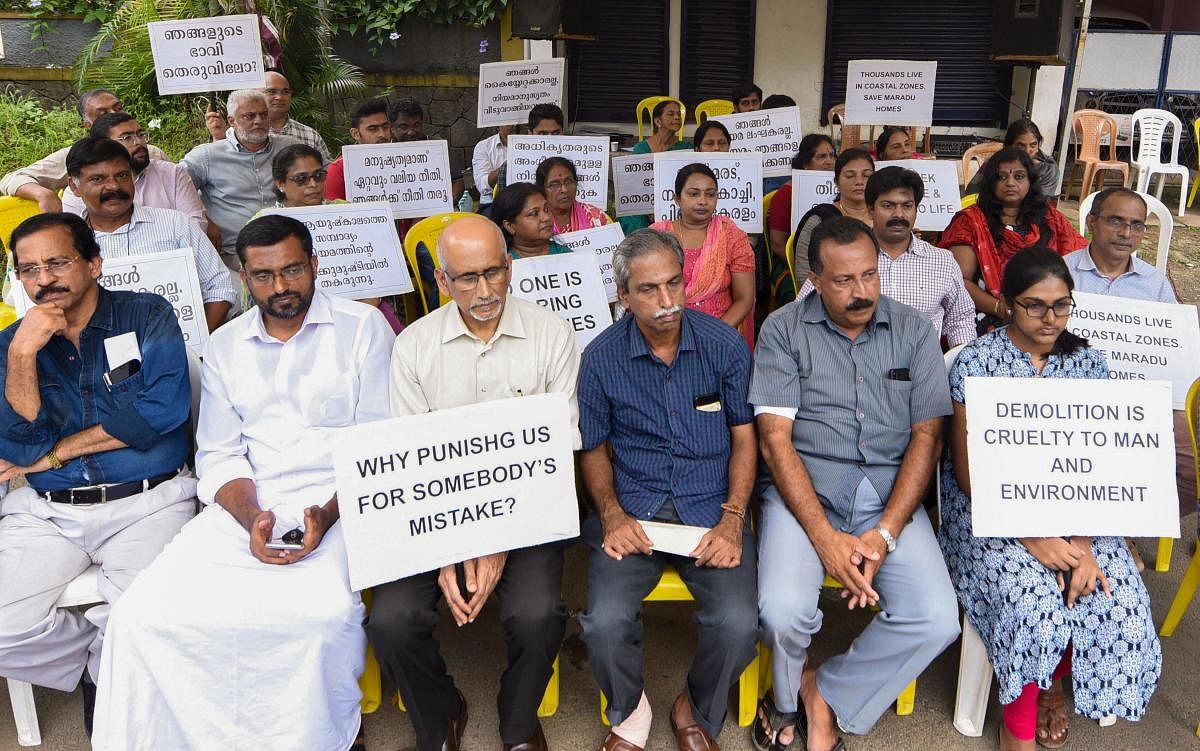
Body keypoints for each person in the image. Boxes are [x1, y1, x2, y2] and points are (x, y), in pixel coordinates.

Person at [91, 214, 395, 750]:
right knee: (143, 616)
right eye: (263, 276)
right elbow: (220, 455)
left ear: (315, 265)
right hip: (244, 508)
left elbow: (374, 446)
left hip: (345, 502)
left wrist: (324, 516)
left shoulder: (362, 328)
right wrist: (253, 518)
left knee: (319, 619)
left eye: (292, 270)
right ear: (244, 278)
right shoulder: (226, 345)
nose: (280, 287)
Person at [369, 214, 579, 751]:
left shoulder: (553, 336)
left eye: (493, 272)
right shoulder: (413, 348)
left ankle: (517, 721)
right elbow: (413, 462)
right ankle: (441, 716)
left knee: (538, 614)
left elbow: (557, 454)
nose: (483, 291)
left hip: (528, 511)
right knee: (392, 619)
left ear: (510, 268)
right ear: (443, 281)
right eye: (466, 278)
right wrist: (449, 549)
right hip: (435, 515)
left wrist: (497, 547)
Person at [938, 246, 1161, 751]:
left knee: (1117, 600)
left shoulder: (1089, 364)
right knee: (1033, 606)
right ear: (1005, 302)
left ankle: (1055, 691)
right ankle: (1016, 728)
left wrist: (1080, 542)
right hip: (989, 516)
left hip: (1077, 513)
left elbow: (1099, 468)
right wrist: (1034, 538)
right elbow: (971, 475)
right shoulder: (977, 363)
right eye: (1034, 305)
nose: (1049, 317)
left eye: (1061, 305)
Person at [750, 216, 960, 751]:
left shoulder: (913, 330)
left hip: (889, 499)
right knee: (783, 611)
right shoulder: (783, 330)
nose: (861, 291)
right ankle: (781, 703)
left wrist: (885, 533)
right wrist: (824, 536)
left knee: (937, 619)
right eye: (843, 280)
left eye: (870, 276)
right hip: (805, 496)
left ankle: (826, 690)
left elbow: (926, 437)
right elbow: (775, 440)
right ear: (815, 279)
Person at [0, 212, 196, 736]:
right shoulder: (11, 343)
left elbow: (161, 411)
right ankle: (99, 662)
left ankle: (118, 673)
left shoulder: (146, 315)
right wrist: (23, 352)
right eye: (29, 269)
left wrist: (54, 453)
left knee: (153, 622)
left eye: (58, 262)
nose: (44, 279)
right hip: (51, 511)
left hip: (147, 502)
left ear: (93, 263)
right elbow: (17, 444)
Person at [577, 228, 758, 751]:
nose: (666, 301)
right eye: (649, 290)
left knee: (740, 622)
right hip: (636, 510)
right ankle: (631, 711)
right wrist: (610, 514)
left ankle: (696, 709)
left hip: (711, 509)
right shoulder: (602, 357)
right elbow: (593, 447)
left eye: (674, 284)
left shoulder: (722, 344)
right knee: (603, 621)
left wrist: (733, 517)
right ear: (623, 297)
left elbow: (745, 440)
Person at [1063, 186, 1193, 563]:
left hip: (1142, 394)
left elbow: (1172, 348)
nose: (1125, 233)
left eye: (1136, 226)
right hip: (1072, 393)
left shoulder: (1155, 284)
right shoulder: (1062, 270)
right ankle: (1087, 530)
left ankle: (1119, 528)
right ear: (1091, 222)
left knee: (1188, 466)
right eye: (1115, 221)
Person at [65, 136, 235, 332]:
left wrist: (196, 344)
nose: (113, 186)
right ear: (74, 186)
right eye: (97, 179)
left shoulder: (174, 224)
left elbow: (220, 287)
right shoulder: (65, 242)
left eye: (122, 176)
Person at [797, 166, 976, 347]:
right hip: (849, 364)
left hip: (919, 368)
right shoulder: (842, 257)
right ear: (870, 210)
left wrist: (961, 367)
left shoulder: (942, 261)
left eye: (907, 206)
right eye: (888, 206)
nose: (898, 214)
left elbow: (960, 320)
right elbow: (801, 311)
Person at [940, 146, 1087, 331]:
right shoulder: (970, 222)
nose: (1010, 183)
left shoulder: (1050, 218)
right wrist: (1002, 309)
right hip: (990, 316)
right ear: (990, 182)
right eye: (1002, 177)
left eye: (1018, 176)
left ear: (1030, 181)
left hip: (1047, 315)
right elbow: (958, 281)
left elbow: (1079, 261)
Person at [182, 89, 303, 270]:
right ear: (232, 121)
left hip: (288, 244)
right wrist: (204, 217)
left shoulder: (287, 147)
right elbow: (176, 187)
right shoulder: (207, 156)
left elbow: (316, 178)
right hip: (235, 254)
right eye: (249, 116)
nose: (259, 121)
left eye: (263, 115)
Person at [0, 89, 168, 213]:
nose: (114, 115)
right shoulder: (75, 156)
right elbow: (11, 179)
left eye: (118, 108)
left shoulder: (152, 153)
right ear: (88, 126)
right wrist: (44, 195)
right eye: (102, 113)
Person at [650, 164, 756, 347]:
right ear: (677, 198)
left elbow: (744, 298)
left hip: (720, 334)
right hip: (666, 332)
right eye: (693, 194)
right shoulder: (657, 236)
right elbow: (647, 295)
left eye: (710, 194)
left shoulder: (731, 235)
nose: (703, 201)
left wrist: (712, 336)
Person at [60, 112, 209, 236]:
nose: (139, 142)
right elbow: (78, 241)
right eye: (127, 138)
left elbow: (196, 225)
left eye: (141, 134)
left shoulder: (172, 173)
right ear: (103, 146)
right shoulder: (79, 191)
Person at [767, 134, 837, 305]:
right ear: (806, 163)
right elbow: (777, 244)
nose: (829, 161)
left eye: (832, 155)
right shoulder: (786, 194)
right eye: (821, 156)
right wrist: (804, 267)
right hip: (790, 263)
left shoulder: (842, 189)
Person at [205, 70, 331, 162]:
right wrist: (219, 137)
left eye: (285, 92)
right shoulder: (236, 134)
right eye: (271, 91)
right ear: (254, 94)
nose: (280, 97)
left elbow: (326, 174)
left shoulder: (310, 135)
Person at [790, 148, 874, 285]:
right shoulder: (820, 220)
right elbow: (804, 276)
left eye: (866, 175)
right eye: (850, 175)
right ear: (836, 182)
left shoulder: (884, 219)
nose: (859, 181)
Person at [388, 96, 464, 203]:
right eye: (404, 127)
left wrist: (447, 202)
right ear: (392, 128)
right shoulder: (383, 155)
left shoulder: (439, 148)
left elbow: (457, 181)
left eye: (416, 125)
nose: (411, 132)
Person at [965, 118, 1059, 205]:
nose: (1027, 151)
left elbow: (1038, 204)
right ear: (1009, 146)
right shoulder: (995, 163)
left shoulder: (1047, 170)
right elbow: (971, 193)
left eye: (1033, 145)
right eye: (1021, 146)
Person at [325, 97, 392, 201]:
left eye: (385, 127)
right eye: (373, 129)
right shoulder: (339, 170)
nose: (382, 134)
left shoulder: (407, 162)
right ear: (355, 134)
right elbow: (334, 213)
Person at [535, 156, 610, 235]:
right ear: (542, 189)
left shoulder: (596, 217)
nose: (564, 190)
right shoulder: (536, 222)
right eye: (554, 185)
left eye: (568, 182)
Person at [492, 183, 570, 259]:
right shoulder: (502, 266)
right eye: (534, 213)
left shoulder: (567, 256)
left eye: (546, 209)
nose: (546, 217)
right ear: (509, 226)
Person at [271, 143, 330, 208]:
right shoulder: (266, 217)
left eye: (318, 175)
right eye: (301, 179)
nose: (313, 184)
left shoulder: (341, 209)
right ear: (280, 184)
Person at [473, 125, 512, 214]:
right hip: (492, 203)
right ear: (498, 125)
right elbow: (482, 186)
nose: (516, 124)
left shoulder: (534, 145)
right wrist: (508, 165)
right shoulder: (484, 146)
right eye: (510, 121)